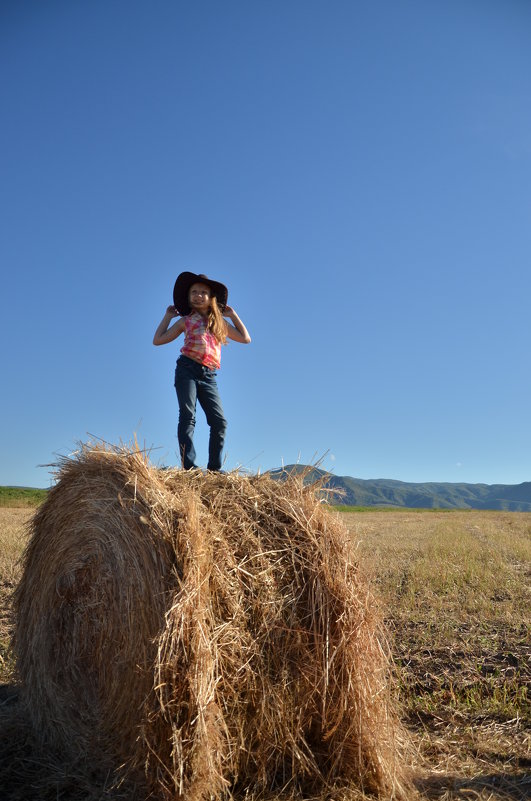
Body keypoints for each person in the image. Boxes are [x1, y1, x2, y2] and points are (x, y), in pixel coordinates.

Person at [153, 272, 251, 471]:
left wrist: (233, 315)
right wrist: (167, 316)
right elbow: (158, 340)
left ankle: (214, 468)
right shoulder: (185, 321)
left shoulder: (219, 323)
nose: (198, 295)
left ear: (211, 298)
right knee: (188, 416)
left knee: (220, 422)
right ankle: (189, 467)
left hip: (209, 376)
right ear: (189, 297)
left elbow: (245, 338)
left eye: (203, 292)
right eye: (194, 292)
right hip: (186, 370)